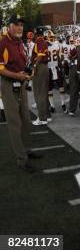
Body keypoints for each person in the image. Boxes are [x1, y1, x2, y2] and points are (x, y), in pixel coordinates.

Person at [0, 15, 41, 172]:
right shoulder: (3, 42)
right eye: (16, 25)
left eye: (21, 25)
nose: (19, 28)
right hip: (9, 85)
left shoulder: (19, 42)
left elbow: (21, 62)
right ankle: (21, 160)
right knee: (15, 124)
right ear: (9, 26)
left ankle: (26, 150)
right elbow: (0, 68)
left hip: (21, 84)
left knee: (26, 119)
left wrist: (27, 72)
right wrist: (17, 75)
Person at [31, 27, 49, 125]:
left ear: (36, 34)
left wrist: (34, 67)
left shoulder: (39, 41)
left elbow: (40, 56)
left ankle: (42, 118)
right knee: (43, 92)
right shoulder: (42, 41)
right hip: (43, 67)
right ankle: (47, 115)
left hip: (40, 67)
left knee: (39, 93)